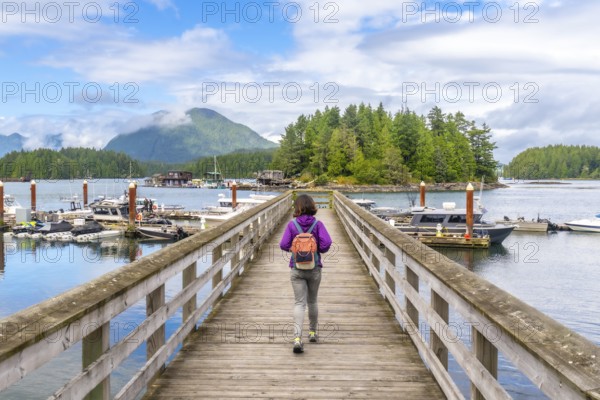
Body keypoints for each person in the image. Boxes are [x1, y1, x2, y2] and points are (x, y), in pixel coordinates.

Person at [279, 194, 332, 354]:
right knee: (313, 302)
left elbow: (283, 244)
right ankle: (313, 333)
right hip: (314, 267)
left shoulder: (292, 225)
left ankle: (297, 338)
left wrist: (294, 249)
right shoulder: (317, 224)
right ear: (312, 206)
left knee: (299, 303)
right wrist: (318, 250)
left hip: (297, 269)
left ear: (297, 208)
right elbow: (327, 243)